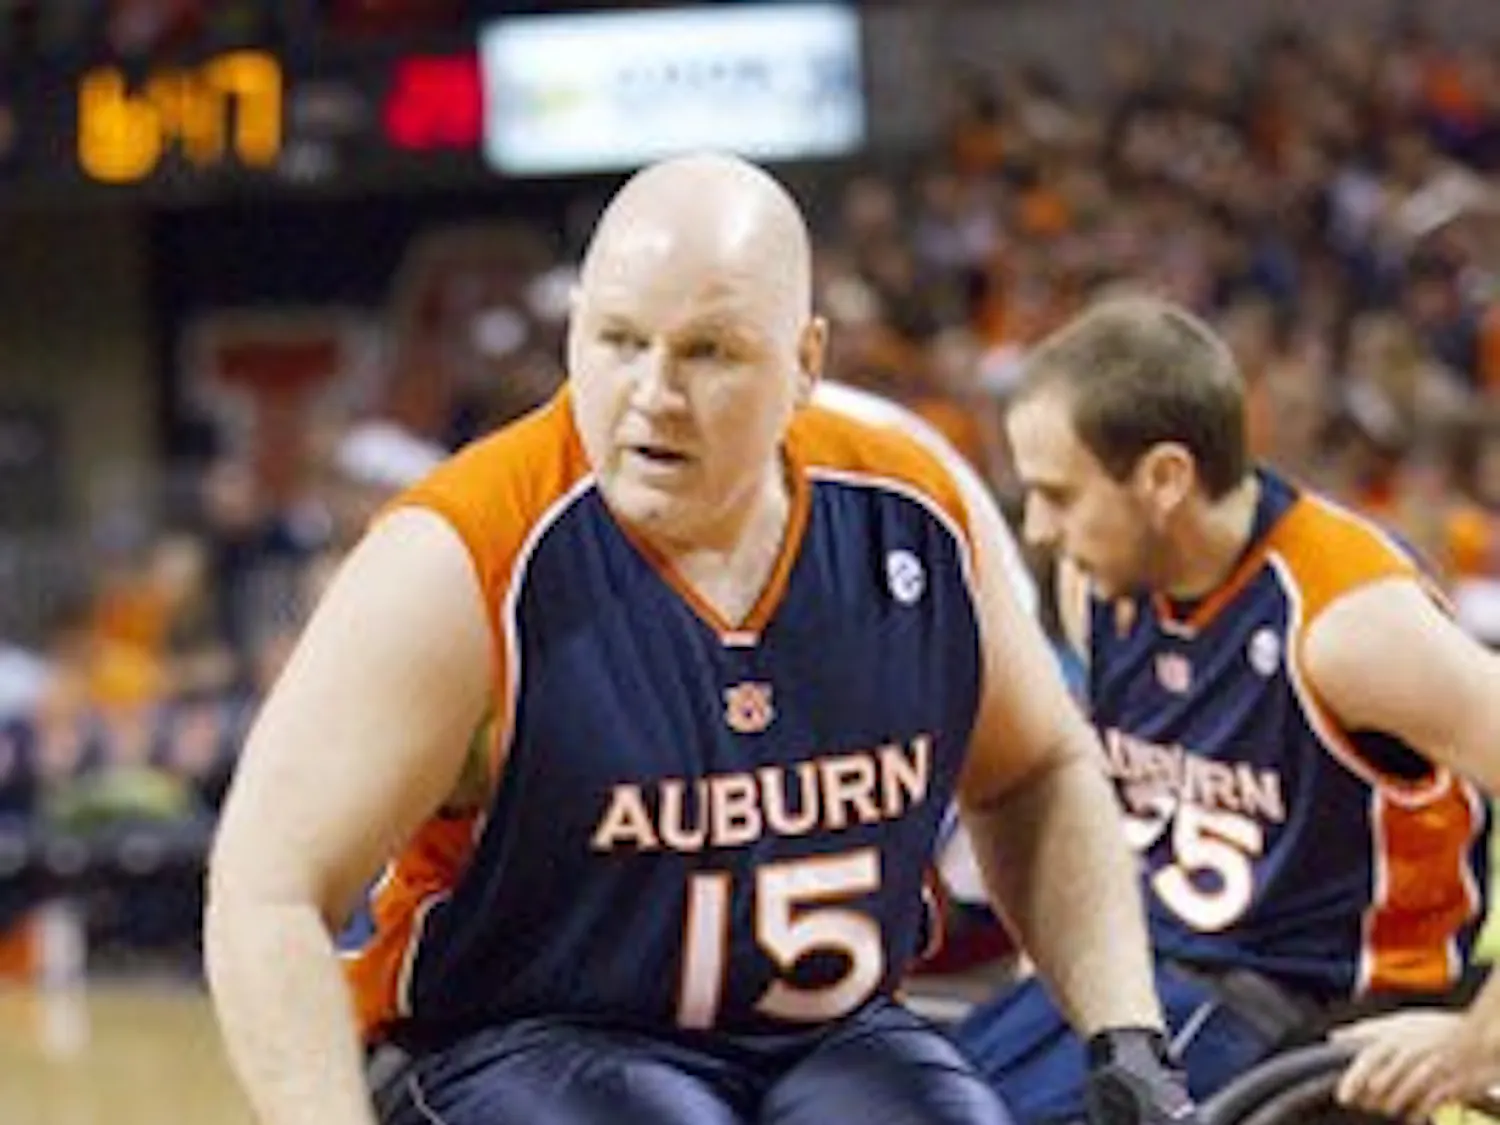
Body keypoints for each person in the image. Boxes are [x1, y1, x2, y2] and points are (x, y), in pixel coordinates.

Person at [204, 153, 1196, 1125]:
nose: (652, 394)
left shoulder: (912, 510)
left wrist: (1124, 1033)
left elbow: (1036, 770)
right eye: (619, 341)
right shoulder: (460, 554)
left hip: (831, 1037)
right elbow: (267, 887)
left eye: (707, 351)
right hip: (521, 1045)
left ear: (805, 364)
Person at [953, 293, 1500, 1122]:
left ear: (1165, 478)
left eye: (1060, 495)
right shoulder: (1097, 587)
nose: (1040, 526)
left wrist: (1478, 1037)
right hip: (1149, 981)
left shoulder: (1347, 624)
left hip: (1312, 1018)